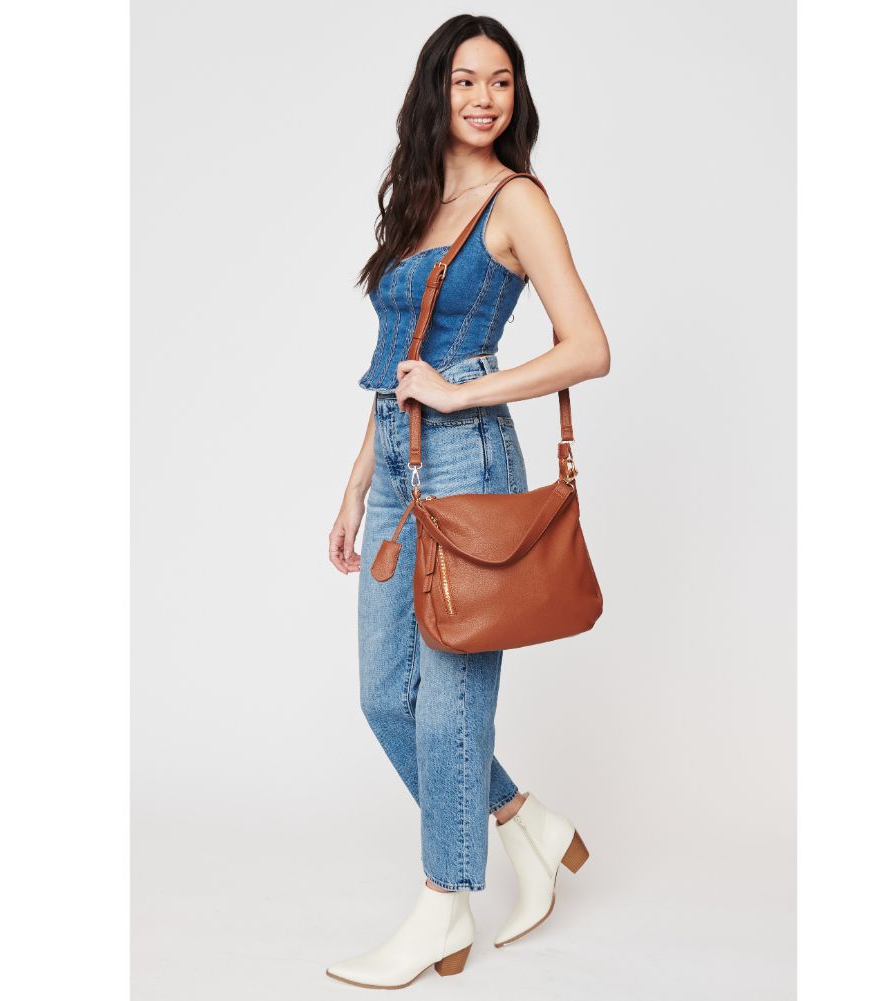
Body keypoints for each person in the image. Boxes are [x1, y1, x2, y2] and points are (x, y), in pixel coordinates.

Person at [326, 14, 611, 989]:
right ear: (435, 93)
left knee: (448, 701)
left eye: (500, 81)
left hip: (465, 460)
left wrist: (461, 391)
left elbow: (587, 346)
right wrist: (357, 482)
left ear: (514, 94)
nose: (484, 97)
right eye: (464, 81)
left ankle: (442, 905)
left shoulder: (515, 200)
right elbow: (393, 363)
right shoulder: (419, 202)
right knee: (384, 694)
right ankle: (528, 821)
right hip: (396, 464)